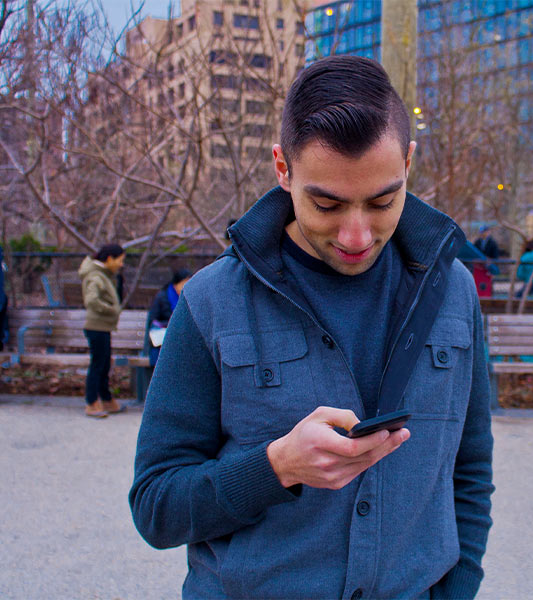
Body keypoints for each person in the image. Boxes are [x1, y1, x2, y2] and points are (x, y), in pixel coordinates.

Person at [130, 56, 494, 599]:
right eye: (326, 203)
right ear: (283, 168)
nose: (356, 234)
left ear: (409, 162)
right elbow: (156, 507)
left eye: (382, 201)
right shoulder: (209, 301)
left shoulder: (456, 291)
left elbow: (469, 469)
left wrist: (459, 589)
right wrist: (276, 467)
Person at [78, 244, 126, 418]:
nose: (121, 264)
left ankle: (106, 399)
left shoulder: (103, 275)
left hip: (103, 327)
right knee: (98, 365)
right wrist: (112, 309)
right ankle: (91, 403)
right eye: (120, 260)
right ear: (109, 259)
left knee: (104, 364)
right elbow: (91, 301)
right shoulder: (95, 276)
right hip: (96, 327)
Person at [143, 268, 192, 367]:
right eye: (184, 283)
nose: (186, 287)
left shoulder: (189, 299)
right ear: (176, 283)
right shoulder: (162, 297)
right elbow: (153, 320)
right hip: (162, 340)